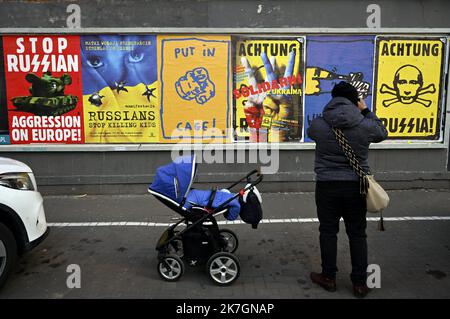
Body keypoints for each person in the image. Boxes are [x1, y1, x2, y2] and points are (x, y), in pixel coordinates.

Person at [307, 81, 388, 298]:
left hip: (326, 186)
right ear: (355, 101)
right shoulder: (365, 124)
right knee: (357, 234)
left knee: (327, 231)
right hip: (356, 187)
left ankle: (329, 277)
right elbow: (382, 133)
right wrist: (366, 110)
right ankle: (360, 284)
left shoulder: (319, 124)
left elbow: (311, 132)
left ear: (333, 99)